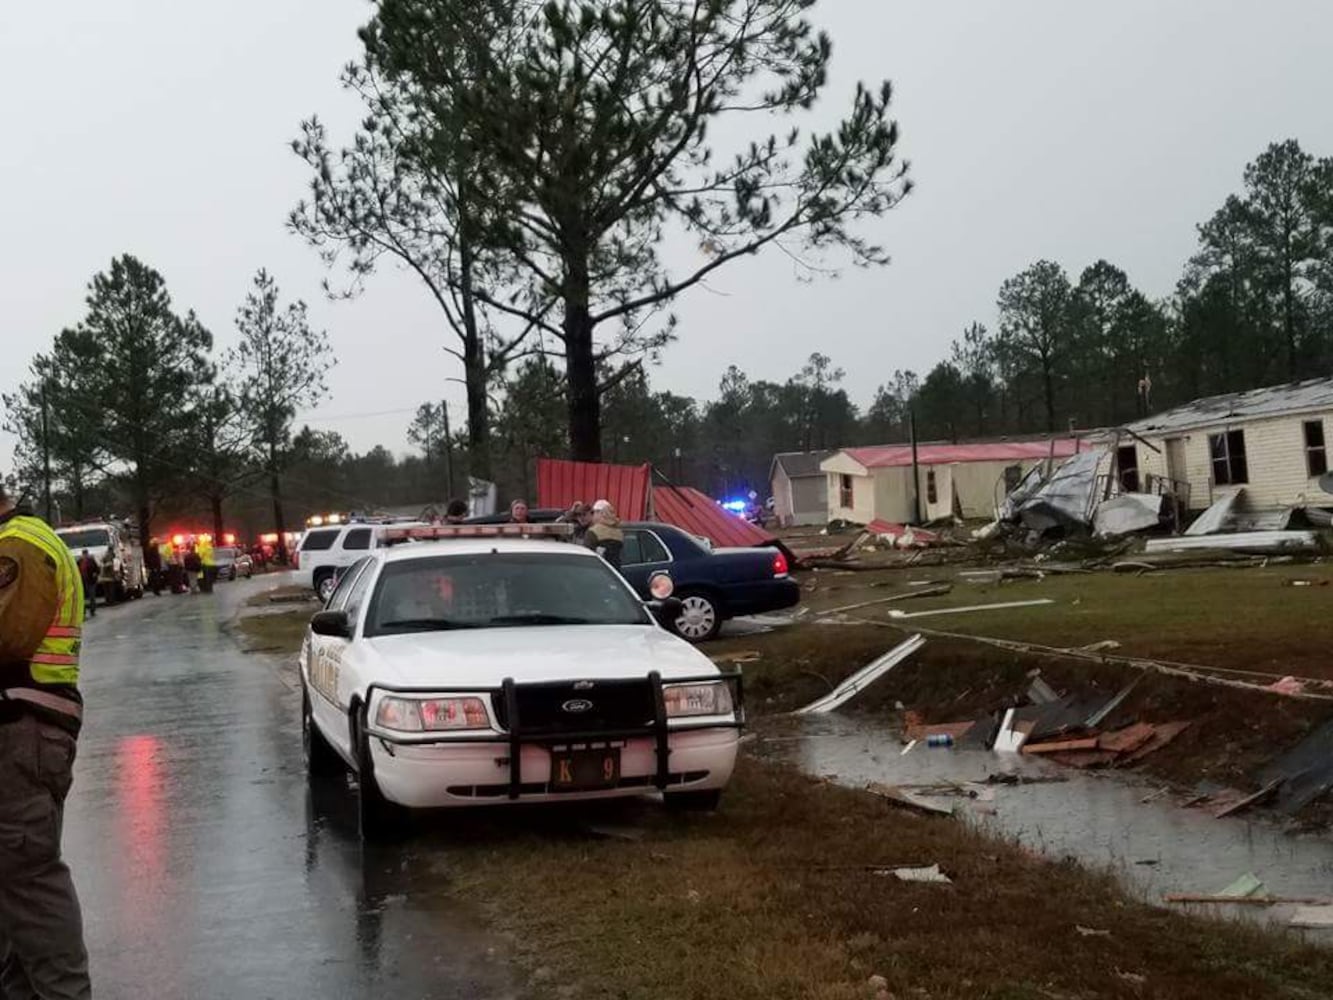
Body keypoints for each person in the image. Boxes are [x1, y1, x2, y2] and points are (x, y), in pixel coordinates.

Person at [0, 483, 92, 999]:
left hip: (21, 734)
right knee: (11, 894)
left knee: (29, 884)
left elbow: (7, 638)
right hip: (19, 735)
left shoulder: (18, 548)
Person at [583, 499, 625, 570]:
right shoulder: (619, 532)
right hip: (615, 573)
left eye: (594, 513)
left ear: (600, 513)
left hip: (597, 571)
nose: (593, 516)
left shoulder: (593, 531)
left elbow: (586, 557)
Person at [75, 550, 98, 619]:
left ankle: (92, 611)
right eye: (84, 554)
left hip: (90, 581)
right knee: (82, 598)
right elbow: (76, 570)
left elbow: (97, 569)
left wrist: (95, 574)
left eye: (86, 554)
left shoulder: (91, 561)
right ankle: (83, 613)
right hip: (82, 581)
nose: (85, 555)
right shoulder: (79, 562)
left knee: (92, 597)